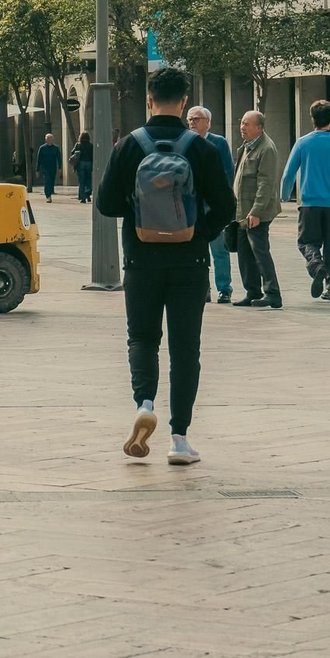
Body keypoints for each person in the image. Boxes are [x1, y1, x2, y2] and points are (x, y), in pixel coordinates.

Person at [97, 67, 235, 467]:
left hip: (140, 260)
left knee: (141, 338)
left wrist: (140, 221)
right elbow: (226, 207)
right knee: (184, 347)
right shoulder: (202, 149)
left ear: (149, 100)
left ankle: (144, 403)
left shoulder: (129, 146)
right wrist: (194, 232)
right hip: (189, 262)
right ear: (185, 102)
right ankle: (179, 439)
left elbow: (106, 204)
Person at [281, 100, 330, 301]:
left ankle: (316, 264)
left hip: (309, 204)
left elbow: (288, 174)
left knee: (306, 241)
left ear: (312, 119)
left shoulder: (303, 142)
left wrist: (283, 194)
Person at [232, 110, 283, 309]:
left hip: (256, 211)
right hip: (243, 209)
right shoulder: (246, 147)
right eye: (242, 123)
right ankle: (252, 291)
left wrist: (256, 212)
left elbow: (266, 184)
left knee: (260, 251)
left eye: (247, 124)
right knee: (245, 251)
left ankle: (273, 293)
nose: (242, 127)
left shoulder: (266, 148)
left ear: (259, 128)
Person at [186, 106, 235, 304]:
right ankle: (202, 288)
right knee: (197, 250)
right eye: (189, 119)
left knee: (219, 249)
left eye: (196, 119)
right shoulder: (186, 142)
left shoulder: (218, 143)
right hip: (192, 203)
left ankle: (224, 288)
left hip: (212, 205)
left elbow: (227, 172)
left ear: (208, 122)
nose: (192, 123)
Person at [71, 131, 95, 203]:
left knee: (81, 181)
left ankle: (83, 198)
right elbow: (93, 155)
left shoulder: (78, 145)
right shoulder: (91, 145)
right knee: (88, 180)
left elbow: (72, 152)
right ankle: (88, 194)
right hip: (89, 163)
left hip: (81, 163)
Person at [37, 133, 62, 202]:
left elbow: (59, 158)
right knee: (47, 181)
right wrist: (37, 169)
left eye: (50, 138)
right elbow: (39, 159)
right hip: (45, 168)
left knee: (51, 181)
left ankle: (50, 192)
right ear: (45, 139)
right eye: (48, 138)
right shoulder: (42, 148)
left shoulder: (56, 148)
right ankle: (48, 195)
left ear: (52, 139)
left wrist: (60, 168)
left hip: (53, 167)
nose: (49, 140)